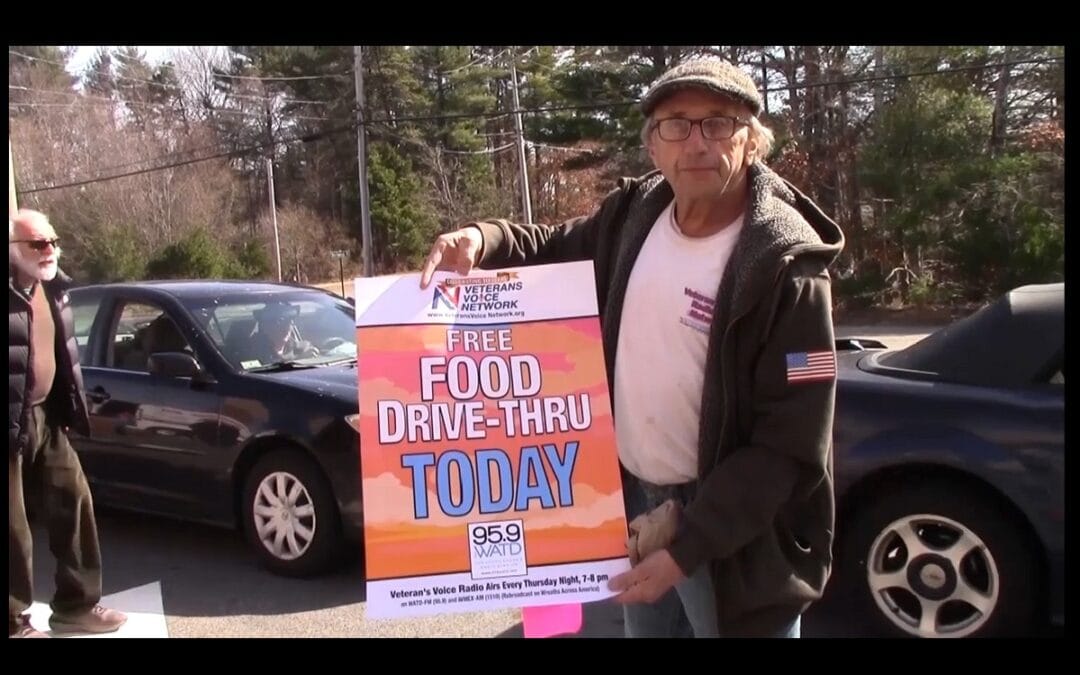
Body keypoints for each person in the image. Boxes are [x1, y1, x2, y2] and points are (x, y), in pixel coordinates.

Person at [419, 58, 844, 638]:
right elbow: (549, 245)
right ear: (654, 146)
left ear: (752, 142)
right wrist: (480, 237)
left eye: (718, 122)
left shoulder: (789, 268)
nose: (696, 142)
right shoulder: (633, 219)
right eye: (677, 124)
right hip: (632, 506)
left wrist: (687, 548)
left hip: (730, 536)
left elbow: (788, 446)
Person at [9, 208, 127, 637]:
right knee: (13, 529)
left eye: (53, 241)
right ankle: (13, 622)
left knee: (74, 501)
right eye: (38, 243)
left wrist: (70, 406)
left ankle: (76, 605)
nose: (49, 251)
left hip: (47, 415)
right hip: (10, 421)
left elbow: (63, 352)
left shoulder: (54, 289)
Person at [248, 301, 319, 365]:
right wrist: (298, 360)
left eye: (288, 322)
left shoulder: (299, 348)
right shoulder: (251, 350)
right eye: (279, 322)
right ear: (265, 326)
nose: (286, 327)